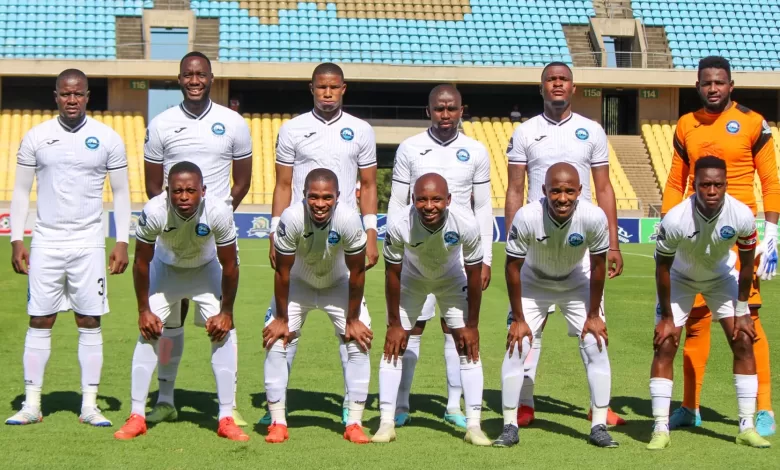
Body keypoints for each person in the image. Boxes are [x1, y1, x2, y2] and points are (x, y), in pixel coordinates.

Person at [6, 69, 131, 426]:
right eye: (65, 94)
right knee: (40, 318)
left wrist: (121, 240)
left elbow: (121, 192)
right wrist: (18, 238)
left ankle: (89, 405)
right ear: (56, 96)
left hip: (88, 242)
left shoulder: (107, 138)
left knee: (89, 319)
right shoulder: (36, 137)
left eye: (77, 94)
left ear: (88, 96)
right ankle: (32, 404)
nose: (71, 100)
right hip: (46, 240)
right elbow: (20, 191)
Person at [661, 56, 779, 437]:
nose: (712, 88)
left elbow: (770, 179)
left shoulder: (752, 122)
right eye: (706, 83)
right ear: (698, 86)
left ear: (731, 85)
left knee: (748, 323)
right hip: (695, 233)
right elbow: (676, 182)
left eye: (719, 82)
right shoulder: (686, 125)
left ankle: (763, 409)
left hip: (739, 233)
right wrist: (668, 226)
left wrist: (773, 229)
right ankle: (689, 406)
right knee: (694, 323)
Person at [504, 61, 625, 427]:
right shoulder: (525, 132)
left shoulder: (592, 131)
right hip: (537, 241)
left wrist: (614, 242)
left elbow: (603, 188)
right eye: (550, 80)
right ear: (541, 88)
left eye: (564, 79)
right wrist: (515, 241)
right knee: (528, 330)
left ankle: (597, 408)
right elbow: (513, 190)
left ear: (574, 87)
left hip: (581, 246)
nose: (557, 84)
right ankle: (524, 403)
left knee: (594, 329)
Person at [262, 62, 378, 426]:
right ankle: (276, 410)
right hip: (299, 234)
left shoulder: (360, 130)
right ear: (311, 89)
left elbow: (370, 185)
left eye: (334, 88)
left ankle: (351, 406)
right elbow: (283, 185)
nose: (327, 93)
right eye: (321, 88)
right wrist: (275, 229)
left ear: (344, 89)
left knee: (354, 332)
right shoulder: (293, 128)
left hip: (344, 237)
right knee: (279, 332)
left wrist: (371, 233)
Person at [143, 51, 252, 427]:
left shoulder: (233, 122)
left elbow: (242, 180)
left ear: (210, 77)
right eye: (188, 74)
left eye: (200, 74)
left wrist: (215, 214)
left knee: (222, 322)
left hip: (214, 240)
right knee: (168, 323)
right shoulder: (161, 124)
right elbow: (154, 185)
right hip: (173, 240)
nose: (194, 80)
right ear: (179, 78)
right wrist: (179, 219)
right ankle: (166, 396)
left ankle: (228, 404)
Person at [113, 162, 248, 442]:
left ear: (203, 191)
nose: (184, 197)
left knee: (222, 333)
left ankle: (225, 416)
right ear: (167, 192)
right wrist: (143, 310)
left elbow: (231, 265)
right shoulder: (153, 211)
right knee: (152, 332)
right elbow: (141, 262)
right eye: (177, 191)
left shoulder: (219, 212)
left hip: (206, 269)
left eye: (190, 190)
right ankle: (142, 412)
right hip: (166, 268)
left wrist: (227, 312)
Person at [386, 84, 492, 429]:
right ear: (428, 111)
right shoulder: (410, 148)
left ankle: (453, 405)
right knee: (411, 327)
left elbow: (484, 207)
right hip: (416, 253)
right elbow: (398, 202)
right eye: (438, 109)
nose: (445, 115)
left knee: (454, 330)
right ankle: (401, 404)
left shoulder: (475, 150)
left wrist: (486, 256)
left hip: (458, 252)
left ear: (462, 110)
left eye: (451, 109)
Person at [649, 156, 770, 449]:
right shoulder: (676, 218)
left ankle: (746, 426)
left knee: (743, 339)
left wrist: (742, 311)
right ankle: (660, 428)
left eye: (718, 185)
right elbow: (662, 268)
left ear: (726, 185)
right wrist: (666, 316)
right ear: (695, 185)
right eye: (705, 185)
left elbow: (745, 262)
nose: (712, 191)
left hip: (720, 277)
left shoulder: (741, 215)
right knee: (666, 343)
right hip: (679, 277)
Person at [495, 162, 618, 448]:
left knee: (595, 343)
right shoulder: (526, 216)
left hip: (577, 281)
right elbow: (512, 267)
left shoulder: (593, 216)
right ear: (544, 190)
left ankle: (598, 424)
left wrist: (593, 314)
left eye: (569, 191)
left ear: (579, 191)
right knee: (519, 346)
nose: (562, 198)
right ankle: (509, 425)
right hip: (533, 282)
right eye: (555, 191)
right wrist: (518, 318)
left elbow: (598, 267)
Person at [372, 173, 490, 446]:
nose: (429, 205)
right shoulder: (400, 224)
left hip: (451, 279)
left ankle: (474, 425)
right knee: (393, 345)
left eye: (436, 199)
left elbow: (473, 275)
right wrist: (393, 323)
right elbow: (392, 273)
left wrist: (472, 325)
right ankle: (386, 422)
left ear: (448, 200)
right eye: (422, 199)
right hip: (412, 279)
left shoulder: (467, 223)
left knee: (467, 345)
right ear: (413, 200)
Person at [262, 168, 373, 444]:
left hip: (338, 283)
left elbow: (357, 272)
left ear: (337, 197)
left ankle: (355, 423)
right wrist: (282, 318)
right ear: (304, 195)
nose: (320, 204)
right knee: (276, 340)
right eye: (313, 197)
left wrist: (354, 317)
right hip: (298, 283)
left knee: (359, 341)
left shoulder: (348, 219)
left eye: (326, 197)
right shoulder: (291, 217)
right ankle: (277, 420)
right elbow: (282, 273)